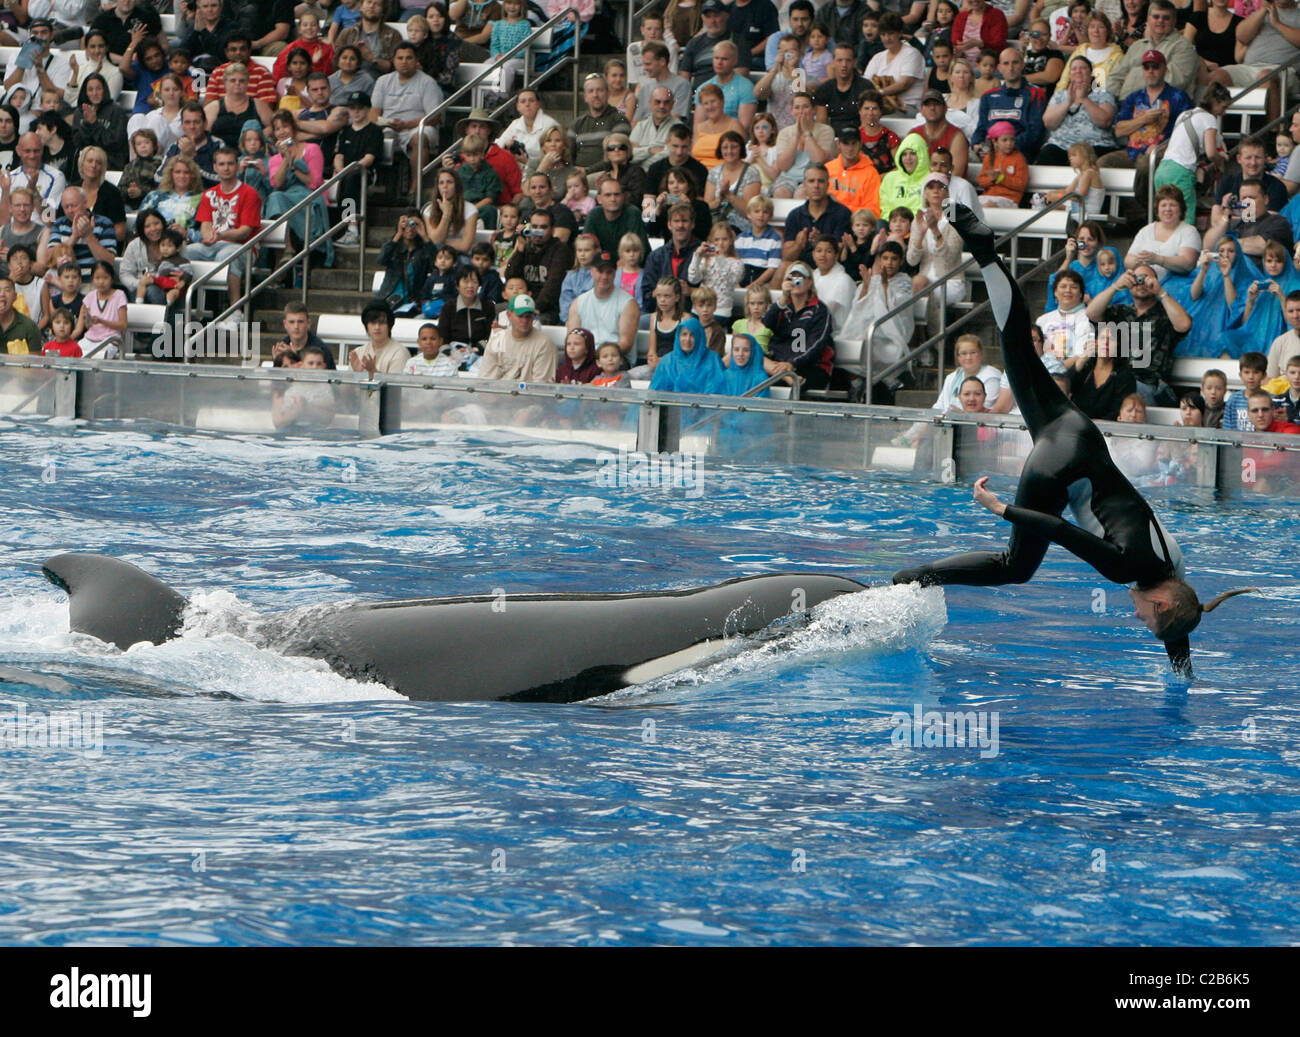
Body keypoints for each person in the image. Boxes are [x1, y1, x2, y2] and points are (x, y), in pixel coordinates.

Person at [894, 204, 1254, 677]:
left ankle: (983, 250)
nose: (1137, 618)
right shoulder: (1125, 569)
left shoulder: (1175, 568)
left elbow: (1181, 614)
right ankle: (911, 580)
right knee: (1014, 567)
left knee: (1019, 347)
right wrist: (1003, 510)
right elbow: (1061, 531)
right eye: (1147, 621)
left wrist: (1182, 669)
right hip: (1059, 469)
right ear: (1161, 603)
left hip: (1078, 432)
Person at [1086, 262, 1190, 404]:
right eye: (1136, 278)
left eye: (1146, 278)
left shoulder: (1166, 314)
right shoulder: (1120, 312)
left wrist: (1160, 292)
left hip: (1147, 384)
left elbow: (1184, 325)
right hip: (1116, 381)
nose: (1140, 283)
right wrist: (1116, 286)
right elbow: (1091, 313)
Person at [1097, 49, 1192, 204]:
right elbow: (1119, 130)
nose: (1150, 71)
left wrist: (1161, 147)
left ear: (1165, 69)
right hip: (1132, 151)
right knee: (1102, 164)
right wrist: (1143, 119)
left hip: (1162, 152)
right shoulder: (1133, 97)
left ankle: (1143, 211)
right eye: (1146, 67)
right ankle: (1108, 210)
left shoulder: (1179, 96)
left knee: (1145, 165)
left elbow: (1186, 131)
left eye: (1155, 66)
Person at [183, 148, 263, 310]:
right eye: (221, 164)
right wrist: (209, 237)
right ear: (215, 167)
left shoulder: (249, 193)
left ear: (237, 166)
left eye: (230, 164)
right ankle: (184, 306)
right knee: (184, 253)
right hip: (214, 244)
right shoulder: (209, 194)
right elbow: (205, 224)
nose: (226, 168)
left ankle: (234, 309)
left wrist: (220, 236)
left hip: (243, 246)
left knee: (225, 255)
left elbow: (245, 231)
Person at [370, 42, 443, 191]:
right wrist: (385, 123)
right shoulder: (383, 81)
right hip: (388, 126)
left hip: (418, 127)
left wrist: (406, 125)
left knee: (420, 137)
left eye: (409, 58)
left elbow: (435, 117)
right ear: (393, 60)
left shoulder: (428, 83)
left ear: (416, 60)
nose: (404, 62)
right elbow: (373, 113)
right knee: (365, 132)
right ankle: (372, 184)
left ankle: (415, 189)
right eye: (400, 58)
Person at [760, 261, 835, 389]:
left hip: (811, 366)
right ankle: (787, 377)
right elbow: (766, 323)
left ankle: (788, 377)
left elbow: (816, 345)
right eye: (791, 278)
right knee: (754, 364)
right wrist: (783, 298)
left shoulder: (820, 310)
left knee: (776, 382)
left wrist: (792, 364)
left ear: (810, 282)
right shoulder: (782, 306)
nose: (795, 281)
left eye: (800, 277)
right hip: (779, 363)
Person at [1108, 0, 1199, 99]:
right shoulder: (1137, 46)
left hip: (1163, 104)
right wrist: (1109, 99)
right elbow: (1115, 77)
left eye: (1166, 18)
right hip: (1124, 103)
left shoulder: (1184, 48)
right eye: (1156, 17)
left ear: (1174, 20)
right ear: (1148, 19)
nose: (1160, 21)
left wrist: (1132, 75)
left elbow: (1173, 82)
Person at [1039, 56, 1119, 167]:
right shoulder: (1059, 95)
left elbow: (1105, 122)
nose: (1078, 71)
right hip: (1061, 146)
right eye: (1074, 69)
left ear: (1091, 74)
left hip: (1096, 145)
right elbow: (1048, 123)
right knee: (1046, 156)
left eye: (1083, 68)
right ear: (1069, 74)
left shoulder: (1103, 94)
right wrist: (1068, 102)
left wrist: (1084, 99)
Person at [503, 207, 572, 323]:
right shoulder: (526, 247)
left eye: (543, 227)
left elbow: (553, 286)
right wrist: (520, 251)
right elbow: (510, 276)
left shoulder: (560, 249)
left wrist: (534, 309)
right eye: (534, 227)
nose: (538, 231)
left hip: (547, 309)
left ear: (552, 230)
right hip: (521, 304)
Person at [567, 250, 639, 360]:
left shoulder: (628, 303)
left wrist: (599, 356)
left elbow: (626, 344)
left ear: (615, 273)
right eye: (600, 271)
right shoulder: (578, 303)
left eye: (609, 272)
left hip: (616, 359)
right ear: (592, 271)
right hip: (586, 358)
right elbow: (572, 339)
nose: (604, 276)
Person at [782, 164, 853, 272]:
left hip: (831, 270)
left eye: (821, 181)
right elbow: (787, 257)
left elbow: (839, 253)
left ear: (828, 184)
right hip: (802, 269)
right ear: (804, 185)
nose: (816, 185)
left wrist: (821, 241)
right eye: (811, 181)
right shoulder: (794, 215)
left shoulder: (842, 213)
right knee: (783, 267)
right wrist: (798, 245)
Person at [1127, 184, 1201, 279]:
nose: (1168, 209)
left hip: (1175, 285)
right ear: (1157, 209)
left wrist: (1158, 259)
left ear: (1181, 209)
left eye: (1173, 205)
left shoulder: (1189, 232)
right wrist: (1141, 260)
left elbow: (1188, 264)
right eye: (1163, 205)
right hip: (1143, 282)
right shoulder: (1146, 230)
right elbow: (1127, 261)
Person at [479, 293, 556, 382]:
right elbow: (486, 379)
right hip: (498, 390)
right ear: (509, 315)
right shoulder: (498, 340)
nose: (524, 320)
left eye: (528, 316)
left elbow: (541, 385)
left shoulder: (544, 344)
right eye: (520, 316)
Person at [772, 91, 835, 197]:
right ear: (792, 111)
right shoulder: (784, 132)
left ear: (814, 110)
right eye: (797, 107)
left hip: (815, 177)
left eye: (805, 107)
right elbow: (783, 166)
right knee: (780, 192)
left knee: (802, 193)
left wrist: (807, 133)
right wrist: (795, 137)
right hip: (788, 178)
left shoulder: (826, 130)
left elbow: (819, 160)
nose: (801, 111)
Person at [642, 204, 702, 312]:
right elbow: (646, 298)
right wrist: (661, 291)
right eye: (676, 221)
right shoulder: (656, 256)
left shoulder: (704, 254)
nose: (680, 225)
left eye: (685, 221)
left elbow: (716, 294)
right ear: (669, 224)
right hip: (661, 314)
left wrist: (691, 291)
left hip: (694, 314)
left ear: (692, 224)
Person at [569, 75, 631, 173]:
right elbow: (568, 154)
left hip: (606, 173)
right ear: (585, 97)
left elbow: (617, 154)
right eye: (591, 91)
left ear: (608, 93)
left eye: (600, 90)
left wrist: (588, 171)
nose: (595, 95)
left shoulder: (619, 120)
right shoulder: (577, 123)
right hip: (578, 175)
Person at [863, 16, 924, 115]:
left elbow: (904, 84)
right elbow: (866, 83)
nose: (887, 38)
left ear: (900, 33)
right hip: (879, 106)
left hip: (906, 106)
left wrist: (879, 93)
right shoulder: (877, 57)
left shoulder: (912, 54)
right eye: (883, 34)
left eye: (891, 33)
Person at [649, 315, 726, 392]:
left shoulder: (713, 360)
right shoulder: (667, 362)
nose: (687, 339)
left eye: (692, 335)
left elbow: (716, 391)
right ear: (678, 336)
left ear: (699, 337)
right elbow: (656, 392)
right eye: (684, 334)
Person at [695, 40, 757, 133]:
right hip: (707, 137)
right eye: (716, 58)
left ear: (735, 61)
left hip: (734, 138)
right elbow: (698, 126)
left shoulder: (746, 87)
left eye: (724, 59)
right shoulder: (702, 88)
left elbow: (744, 127)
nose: (719, 62)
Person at [582, 178, 650, 262]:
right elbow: (585, 246)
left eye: (617, 194)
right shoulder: (594, 214)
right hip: (603, 266)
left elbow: (638, 250)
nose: (613, 199)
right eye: (608, 195)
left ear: (623, 197)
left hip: (632, 265)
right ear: (599, 199)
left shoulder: (633, 213)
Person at [680, 0, 740, 89]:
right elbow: (684, 76)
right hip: (698, 93)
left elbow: (740, 74)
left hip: (727, 92)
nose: (712, 21)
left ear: (726, 16)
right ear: (702, 18)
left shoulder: (737, 41)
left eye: (716, 16)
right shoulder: (693, 43)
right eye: (708, 17)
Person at [815, 43, 871, 134]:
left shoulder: (866, 87)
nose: (844, 65)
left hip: (860, 135)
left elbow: (869, 118)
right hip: (833, 137)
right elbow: (822, 123)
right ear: (833, 62)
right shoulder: (824, 89)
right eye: (839, 60)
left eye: (848, 60)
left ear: (855, 62)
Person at [497, 90, 560, 167]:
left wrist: (527, 162)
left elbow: (555, 158)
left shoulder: (550, 125)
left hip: (543, 170)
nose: (527, 104)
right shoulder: (515, 124)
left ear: (538, 104)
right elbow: (499, 145)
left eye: (531, 101)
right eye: (523, 101)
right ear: (518, 107)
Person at [349, 300, 410, 375]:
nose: (377, 327)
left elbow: (396, 381)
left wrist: (373, 372)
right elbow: (348, 382)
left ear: (389, 326)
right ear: (366, 326)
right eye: (373, 322)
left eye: (381, 322)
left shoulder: (400, 353)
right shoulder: (359, 352)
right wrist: (356, 374)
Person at [437, 265, 492, 349]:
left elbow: (491, 335)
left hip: (482, 352)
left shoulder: (488, 306)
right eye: (465, 281)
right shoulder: (448, 307)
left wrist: (479, 348)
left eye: (474, 281)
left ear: (479, 285)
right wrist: (450, 351)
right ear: (457, 285)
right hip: (454, 352)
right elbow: (443, 336)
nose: (470, 286)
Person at [273, 301, 336, 368]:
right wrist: (277, 362)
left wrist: (294, 357)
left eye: (300, 322)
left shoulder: (321, 349)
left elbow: (325, 374)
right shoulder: (282, 346)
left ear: (308, 323)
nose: (296, 326)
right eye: (291, 322)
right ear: (285, 324)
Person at [0, 275, 45, 354]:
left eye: (7, 290)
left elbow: (35, 360)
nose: (2, 294)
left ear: (15, 296)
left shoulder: (29, 327)